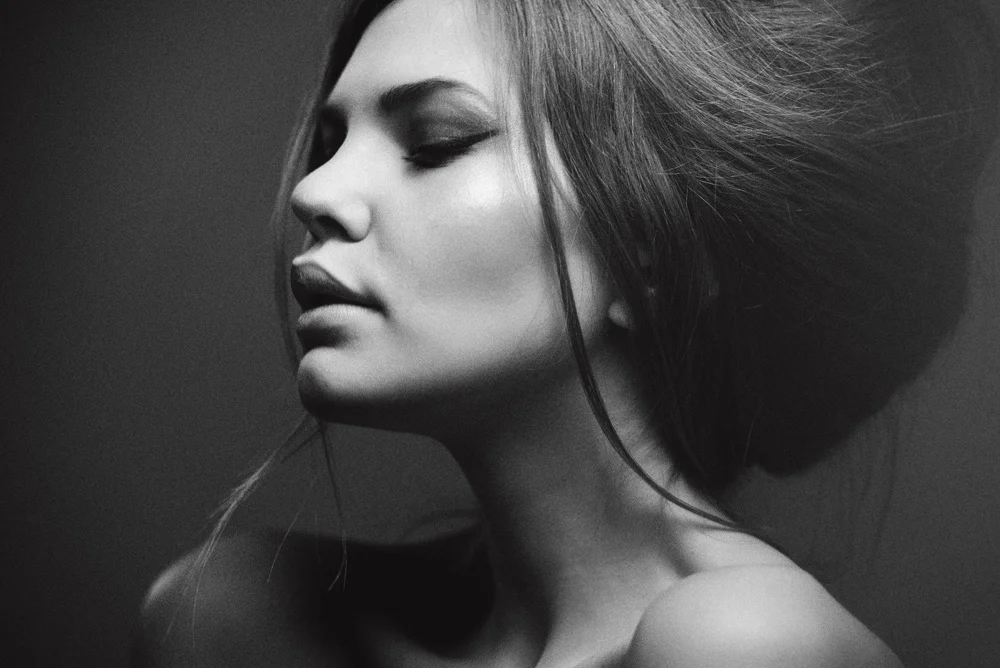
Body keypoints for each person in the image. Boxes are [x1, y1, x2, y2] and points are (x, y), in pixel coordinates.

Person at [133, 0, 999, 666]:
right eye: (329, 140)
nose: (313, 191)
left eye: (436, 141)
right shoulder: (236, 622)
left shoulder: (749, 645)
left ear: (652, 252)